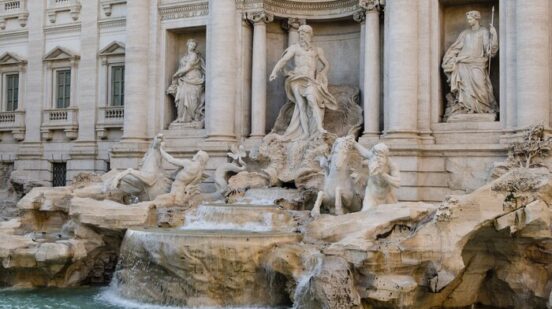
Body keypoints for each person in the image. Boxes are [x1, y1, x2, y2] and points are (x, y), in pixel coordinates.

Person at [269, 25, 338, 140]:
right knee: (301, 106)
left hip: (310, 80)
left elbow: (326, 64)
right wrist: (274, 72)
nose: (302, 36)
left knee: (312, 101)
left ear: (310, 35)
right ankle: (305, 133)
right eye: (300, 34)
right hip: (297, 79)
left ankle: (319, 127)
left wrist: (322, 74)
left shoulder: (317, 50)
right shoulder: (294, 48)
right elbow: (284, 60)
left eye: (304, 33)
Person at [442, 10, 498, 120]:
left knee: (480, 84)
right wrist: (449, 58)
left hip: (478, 63)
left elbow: (489, 50)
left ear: (477, 18)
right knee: (464, 87)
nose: (468, 21)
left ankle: (482, 108)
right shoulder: (464, 33)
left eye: (470, 19)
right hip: (463, 63)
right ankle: (466, 108)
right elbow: (456, 47)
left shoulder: (484, 32)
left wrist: (494, 35)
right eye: (468, 19)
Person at [167, 39, 206, 125]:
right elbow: (182, 68)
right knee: (181, 97)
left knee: (192, 98)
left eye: (194, 45)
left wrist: (176, 74)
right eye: (191, 45)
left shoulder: (194, 55)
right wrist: (178, 76)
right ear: (187, 45)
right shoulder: (184, 57)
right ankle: (181, 117)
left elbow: (188, 68)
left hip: (194, 78)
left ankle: (190, 118)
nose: (192, 46)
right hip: (184, 79)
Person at [354, 142, 400, 211]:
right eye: (376, 155)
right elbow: (364, 152)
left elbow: (397, 183)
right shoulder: (372, 157)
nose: (377, 158)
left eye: (381, 156)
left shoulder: (392, 165)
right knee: (367, 213)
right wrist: (354, 143)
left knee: (392, 215)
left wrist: (383, 174)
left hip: (387, 194)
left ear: (386, 157)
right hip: (371, 194)